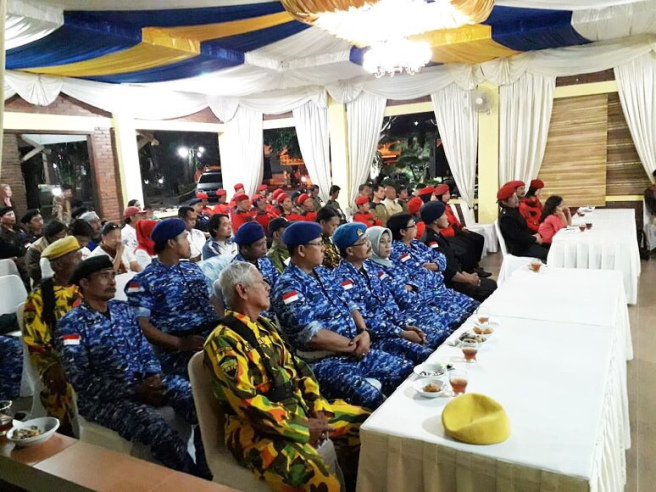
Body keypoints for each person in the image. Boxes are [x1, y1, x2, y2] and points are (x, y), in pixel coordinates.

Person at [205, 262, 369, 490]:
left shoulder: (265, 326)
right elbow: (247, 404)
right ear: (242, 291)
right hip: (257, 432)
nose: (268, 286)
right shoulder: (223, 341)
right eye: (261, 282)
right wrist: (302, 427)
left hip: (297, 410)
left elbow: (299, 369)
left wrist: (317, 407)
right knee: (321, 483)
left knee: (368, 426)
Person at [56, 256, 209, 477]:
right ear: (84, 283)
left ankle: (207, 470)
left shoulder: (123, 310)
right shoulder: (71, 324)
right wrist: (134, 390)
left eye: (112, 275)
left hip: (144, 382)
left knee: (202, 403)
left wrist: (154, 378)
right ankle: (194, 479)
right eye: (103, 276)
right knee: (157, 429)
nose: (112, 281)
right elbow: (79, 377)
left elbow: (144, 349)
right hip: (106, 400)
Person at [271, 221, 414, 410]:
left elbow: (351, 305)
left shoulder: (323, 273)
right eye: (318, 244)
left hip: (356, 348)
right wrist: (354, 346)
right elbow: (313, 335)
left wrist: (364, 331)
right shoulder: (288, 287)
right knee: (371, 397)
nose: (324, 248)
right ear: (301, 250)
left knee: (406, 372)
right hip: (324, 362)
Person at [126, 219, 218, 379]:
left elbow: (212, 302)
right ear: (171, 243)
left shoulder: (192, 268)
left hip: (213, 340)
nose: (189, 242)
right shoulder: (143, 281)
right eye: (185, 238)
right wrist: (179, 343)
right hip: (178, 354)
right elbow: (141, 324)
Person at [332, 224, 436, 361]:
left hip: (399, 324)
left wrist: (404, 325)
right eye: (363, 242)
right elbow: (364, 319)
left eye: (368, 240)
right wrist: (401, 332)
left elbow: (390, 302)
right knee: (427, 355)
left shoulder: (371, 266)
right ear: (350, 251)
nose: (369, 245)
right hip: (378, 337)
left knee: (440, 336)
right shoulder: (340, 279)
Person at [23, 236, 82, 436]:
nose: (81, 261)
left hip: (92, 351)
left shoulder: (85, 286)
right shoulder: (40, 298)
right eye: (76, 258)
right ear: (58, 266)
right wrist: (51, 365)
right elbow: (36, 340)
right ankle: (66, 436)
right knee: (59, 383)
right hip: (60, 357)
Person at [364, 226, 465, 331]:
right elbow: (401, 296)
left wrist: (412, 286)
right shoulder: (372, 269)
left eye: (389, 241)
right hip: (409, 313)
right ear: (371, 244)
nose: (387, 245)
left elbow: (423, 275)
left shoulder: (393, 262)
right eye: (382, 242)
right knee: (453, 329)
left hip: (427, 300)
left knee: (465, 318)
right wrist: (414, 286)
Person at [386, 213, 479, 319]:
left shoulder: (416, 244)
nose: (416, 227)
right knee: (465, 318)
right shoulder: (396, 253)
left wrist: (436, 266)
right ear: (403, 232)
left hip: (442, 291)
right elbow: (421, 276)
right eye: (413, 225)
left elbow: (441, 257)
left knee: (477, 308)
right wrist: (433, 268)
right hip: (429, 298)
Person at [420, 201, 497, 302]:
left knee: (491, 284)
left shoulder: (437, 235)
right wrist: (468, 279)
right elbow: (446, 271)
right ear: (435, 220)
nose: (447, 217)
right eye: (444, 214)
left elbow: (453, 263)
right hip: (448, 285)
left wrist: (467, 275)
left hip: (455, 278)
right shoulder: (431, 241)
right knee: (487, 290)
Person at [433, 183, 487, 276]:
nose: (448, 195)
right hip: (448, 233)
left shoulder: (447, 206)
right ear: (440, 196)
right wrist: (458, 229)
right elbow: (449, 222)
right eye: (446, 194)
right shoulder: (439, 207)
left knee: (479, 238)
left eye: (448, 193)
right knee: (467, 244)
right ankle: (470, 269)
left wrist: (461, 226)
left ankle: (475, 265)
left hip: (454, 230)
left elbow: (454, 219)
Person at [498, 184, 549, 261]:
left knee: (551, 246)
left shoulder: (513, 210)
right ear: (504, 202)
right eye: (512, 197)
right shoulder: (506, 217)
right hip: (520, 248)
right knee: (549, 254)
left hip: (526, 243)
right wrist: (535, 238)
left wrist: (536, 235)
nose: (516, 199)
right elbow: (518, 236)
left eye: (515, 195)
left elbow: (523, 229)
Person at [231, 222, 279, 302]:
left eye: (265, 241)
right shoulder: (235, 271)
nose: (264, 247)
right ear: (245, 248)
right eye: (259, 245)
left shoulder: (265, 260)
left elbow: (277, 284)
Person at [26, 220, 67, 285]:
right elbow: (34, 272)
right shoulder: (35, 249)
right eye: (57, 238)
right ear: (49, 237)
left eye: (63, 236)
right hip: (44, 283)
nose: (61, 240)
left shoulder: (66, 242)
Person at [0, 207, 29, 286]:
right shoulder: (2, 234)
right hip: (12, 266)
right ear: (1, 218)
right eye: (9, 215)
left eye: (13, 214)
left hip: (26, 261)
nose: (13, 217)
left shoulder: (20, 230)